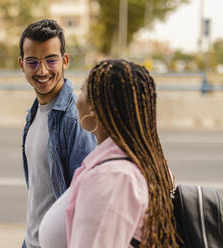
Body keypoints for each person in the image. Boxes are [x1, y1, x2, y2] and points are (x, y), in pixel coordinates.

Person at [39, 59, 179, 247]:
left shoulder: (111, 177)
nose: (76, 97)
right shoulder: (138, 165)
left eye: (82, 90)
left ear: (94, 108)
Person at [18, 19, 97, 248]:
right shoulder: (34, 113)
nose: (42, 71)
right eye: (32, 62)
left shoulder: (74, 119)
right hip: (32, 241)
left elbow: (85, 199)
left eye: (50, 60)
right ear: (21, 65)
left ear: (65, 61)